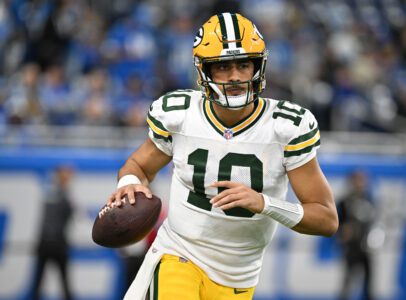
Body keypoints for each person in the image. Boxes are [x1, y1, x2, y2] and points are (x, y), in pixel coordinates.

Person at [107, 12, 339, 300]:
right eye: (222, 67)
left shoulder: (285, 127)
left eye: (244, 64)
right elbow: (139, 165)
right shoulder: (180, 114)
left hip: (239, 276)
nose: (235, 76)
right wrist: (129, 182)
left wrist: (264, 203)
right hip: (179, 253)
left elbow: (327, 218)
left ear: (258, 66)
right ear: (204, 71)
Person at [31, 165, 74, 300]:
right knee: (64, 281)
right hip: (57, 243)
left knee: (39, 281)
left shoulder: (48, 193)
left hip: (45, 242)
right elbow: (69, 215)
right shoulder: (64, 196)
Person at [337, 170, 375, 300]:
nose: (361, 183)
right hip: (351, 248)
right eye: (358, 180)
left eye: (363, 180)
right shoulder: (344, 201)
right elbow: (336, 223)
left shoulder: (369, 199)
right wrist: (342, 232)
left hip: (366, 247)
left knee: (368, 284)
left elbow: (372, 222)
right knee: (348, 282)